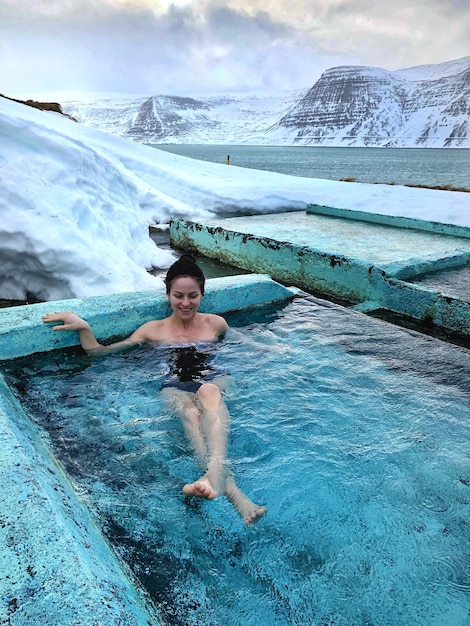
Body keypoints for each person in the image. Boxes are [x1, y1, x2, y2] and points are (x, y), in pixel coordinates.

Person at [42, 254, 266, 525]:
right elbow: (100, 353)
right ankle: (226, 486)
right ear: (168, 294)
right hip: (174, 384)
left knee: (207, 392)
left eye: (192, 296)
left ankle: (215, 472)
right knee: (190, 413)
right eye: (178, 295)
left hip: (213, 379)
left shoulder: (217, 324)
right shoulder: (152, 330)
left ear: (202, 294)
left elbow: (239, 348)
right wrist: (84, 328)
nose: (185, 303)